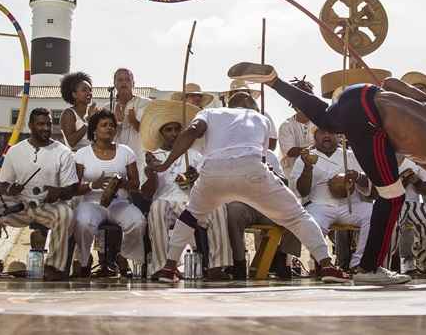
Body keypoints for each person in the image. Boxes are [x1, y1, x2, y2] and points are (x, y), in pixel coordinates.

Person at [228, 61, 426, 283]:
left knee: (330, 118)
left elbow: (391, 81)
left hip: (362, 94)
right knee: (393, 198)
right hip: (372, 123)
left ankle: (275, 80)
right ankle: (369, 267)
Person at [147, 91, 350, 283]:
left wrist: (164, 164)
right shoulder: (260, 118)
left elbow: (192, 131)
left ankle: (169, 266)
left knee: (190, 216)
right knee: (297, 216)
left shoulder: (209, 112)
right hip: (251, 170)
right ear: (252, 107)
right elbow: (262, 156)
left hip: (214, 172)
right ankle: (327, 265)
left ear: (230, 105)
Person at [0, 108, 77, 281]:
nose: (46, 128)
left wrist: (59, 191)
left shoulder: (63, 152)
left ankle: (53, 267)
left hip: (47, 206)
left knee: (65, 213)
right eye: (41, 124)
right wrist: (9, 189)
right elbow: (4, 183)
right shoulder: (15, 151)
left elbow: (71, 189)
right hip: (19, 205)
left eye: (49, 124)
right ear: (30, 126)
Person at [140, 100, 233, 280]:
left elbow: (208, 184)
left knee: (218, 207)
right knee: (156, 208)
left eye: (177, 129)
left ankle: (217, 266)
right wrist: (151, 172)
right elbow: (146, 193)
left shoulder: (195, 155)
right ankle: (162, 266)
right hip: (166, 202)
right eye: (169, 130)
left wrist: (196, 178)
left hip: (193, 203)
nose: (174, 133)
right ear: (161, 133)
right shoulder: (154, 156)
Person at [74, 109, 146, 277]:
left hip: (119, 202)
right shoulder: (82, 154)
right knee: (83, 222)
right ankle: (84, 261)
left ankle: (124, 256)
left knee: (138, 222)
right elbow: (74, 188)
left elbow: (136, 184)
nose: (109, 128)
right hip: (91, 203)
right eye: (104, 125)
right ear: (94, 130)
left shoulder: (126, 152)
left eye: (112, 125)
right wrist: (93, 184)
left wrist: (122, 183)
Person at [291, 127, 373, 272]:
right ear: (315, 136)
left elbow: (371, 188)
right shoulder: (305, 157)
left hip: (349, 205)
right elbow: (301, 191)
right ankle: (323, 264)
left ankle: (360, 263)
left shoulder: (351, 156)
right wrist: (307, 168)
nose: (327, 136)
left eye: (331, 132)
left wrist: (358, 177)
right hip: (319, 205)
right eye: (322, 132)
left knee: (373, 214)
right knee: (312, 223)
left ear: (339, 136)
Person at [227, 149, 302, 279]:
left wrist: (272, 175)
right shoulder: (231, 154)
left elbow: (285, 184)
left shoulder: (269, 155)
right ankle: (239, 262)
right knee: (233, 212)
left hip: (268, 206)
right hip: (244, 204)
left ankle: (282, 259)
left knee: (295, 211)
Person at [390, 158, 426, 275]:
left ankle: (425, 262)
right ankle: (387, 266)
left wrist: (416, 181)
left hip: (411, 203)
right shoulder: (382, 156)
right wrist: (401, 181)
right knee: (393, 225)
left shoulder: (413, 159)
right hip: (389, 203)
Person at [112, 68, 151, 173]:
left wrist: (134, 122)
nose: (124, 83)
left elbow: (151, 134)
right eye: (120, 80)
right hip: (115, 162)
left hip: (138, 160)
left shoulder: (145, 104)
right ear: (114, 83)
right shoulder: (108, 107)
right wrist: (117, 123)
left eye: (127, 80)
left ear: (133, 83)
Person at [278, 78, 316, 172]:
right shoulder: (286, 126)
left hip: (319, 174)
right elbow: (291, 151)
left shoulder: (321, 122)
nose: (303, 103)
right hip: (294, 175)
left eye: (306, 99)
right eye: (298, 99)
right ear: (293, 104)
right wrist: (318, 148)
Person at [60, 71, 98, 152]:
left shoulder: (93, 111)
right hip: (76, 159)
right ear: (74, 95)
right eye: (84, 90)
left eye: (90, 90)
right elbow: (71, 142)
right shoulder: (69, 113)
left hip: (94, 157)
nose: (89, 93)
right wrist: (88, 121)